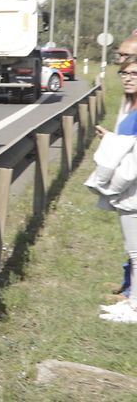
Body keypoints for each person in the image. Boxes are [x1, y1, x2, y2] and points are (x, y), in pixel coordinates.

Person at [88, 58, 137, 322]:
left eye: (134, 73)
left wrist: (112, 141)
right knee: (133, 249)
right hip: (129, 189)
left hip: (133, 188)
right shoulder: (131, 108)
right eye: (124, 73)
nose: (128, 77)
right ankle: (131, 302)